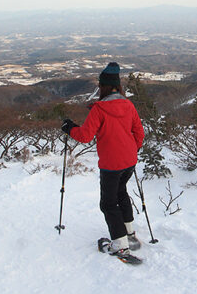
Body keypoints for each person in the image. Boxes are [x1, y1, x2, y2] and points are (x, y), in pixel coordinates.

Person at [62, 62, 145, 259]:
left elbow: (84, 136)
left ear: (104, 86)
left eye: (100, 85)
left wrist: (69, 127)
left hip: (111, 164)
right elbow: (139, 133)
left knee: (108, 204)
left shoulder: (99, 109)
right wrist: (133, 149)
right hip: (129, 161)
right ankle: (130, 234)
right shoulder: (128, 105)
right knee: (121, 193)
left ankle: (120, 245)